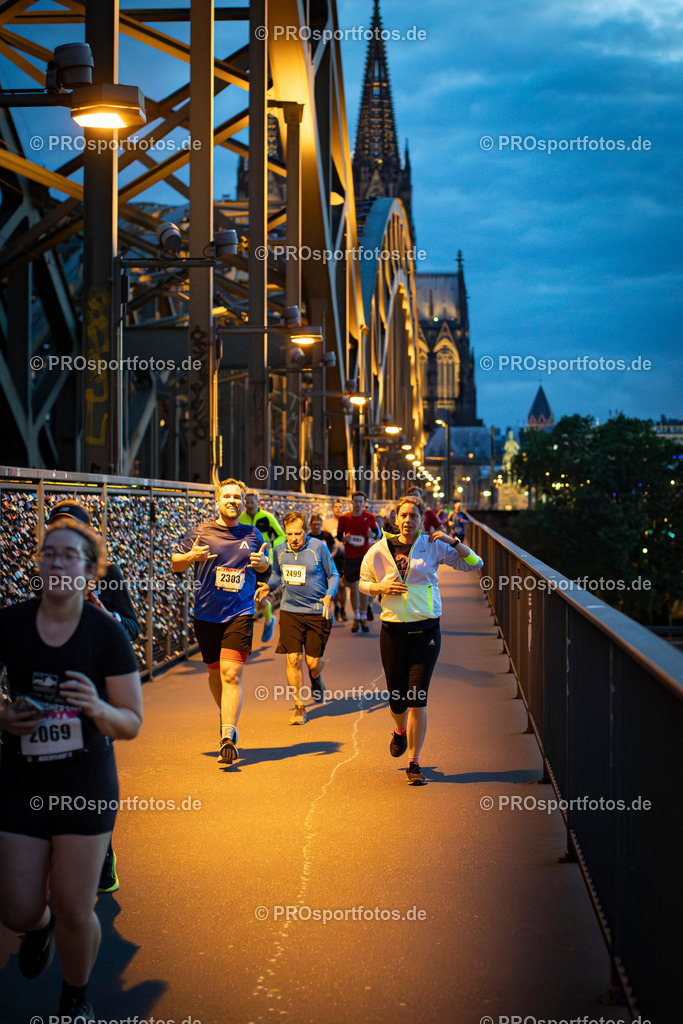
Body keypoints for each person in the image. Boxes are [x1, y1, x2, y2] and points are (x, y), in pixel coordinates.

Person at [0, 518, 142, 1023]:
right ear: (40, 565)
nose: (58, 562)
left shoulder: (105, 634)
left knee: (74, 907)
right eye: (49, 554)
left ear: (90, 570)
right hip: (22, 779)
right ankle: (36, 929)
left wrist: (97, 709)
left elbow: (131, 722)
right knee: (15, 908)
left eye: (70, 555)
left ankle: (75, 996)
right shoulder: (11, 624)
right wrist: (3, 715)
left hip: (85, 782)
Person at [46, 499, 141, 895]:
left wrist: (109, 617)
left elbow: (133, 626)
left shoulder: (110, 575)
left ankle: (103, 854)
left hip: (94, 691)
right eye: (55, 530)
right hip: (46, 690)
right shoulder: (43, 573)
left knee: (89, 775)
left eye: (73, 529)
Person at [359, 493, 483, 785]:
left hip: (426, 631)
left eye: (413, 516)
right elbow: (362, 582)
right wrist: (380, 586)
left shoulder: (432, 545)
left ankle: (414, 762)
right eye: (403, 515)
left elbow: (475, 563)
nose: (407, 520)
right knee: (397, 700)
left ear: (422, 519)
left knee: (418, 698)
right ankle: (399, 730)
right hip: (393, 633)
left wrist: (453, 541)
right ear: (394, 518)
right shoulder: (379, 549)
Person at [172, 478, 271, 765]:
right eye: (227, 496)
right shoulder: (200, 532)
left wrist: (264, 567)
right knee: (215, 674)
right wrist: (190, 556)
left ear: (242, 502)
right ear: (217, 501)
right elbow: (175, 562)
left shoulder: (252, 534)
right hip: (206, 615)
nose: (233, 501)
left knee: (231, 675)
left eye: (237, 497)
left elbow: (265, 567)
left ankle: (228, 735)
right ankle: (225, 714)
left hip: (239, 613)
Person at [258, 512, 339, 724]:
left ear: (305, 531)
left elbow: (333, 575)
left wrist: (329, 595)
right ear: (285, 532)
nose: (293, 538)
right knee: (293, 659)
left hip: (317, 612)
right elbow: (277, 575)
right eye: (289, 534)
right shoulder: (279, 550)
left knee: (313, 663)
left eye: (298, 533)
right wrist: (269, 585)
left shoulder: (318, 547)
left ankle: (315, 677)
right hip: (290, 611)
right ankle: (299, 706)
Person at [239, 490, 286, 643]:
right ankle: (245, 637)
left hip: (265, 563)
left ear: (258, 503)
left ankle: (269, 620)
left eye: (252, 502)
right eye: (246, 502)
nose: (249, 505)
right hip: (245, 563)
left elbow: (281, 535)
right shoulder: (241, 518)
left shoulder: (267, 517)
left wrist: (273, 544)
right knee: (246, 597)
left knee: (259, 597)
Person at [337, 491, 379, 633]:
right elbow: (338, 536)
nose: (358, 504)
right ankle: (356, 617)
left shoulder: (370, 517)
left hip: (365, 557)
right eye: (356, 501)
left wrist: (371, 535)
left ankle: (363, 615)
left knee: (364, 589)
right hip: (350, 557)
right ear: (352, 502)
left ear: (364, 503)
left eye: (361, 502)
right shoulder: (344, 518)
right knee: (354, 588)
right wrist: (345, 539)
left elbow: (377, 534)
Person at [323, 499, 347, 621]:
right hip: (332, 557)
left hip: (344, 556)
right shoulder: (327, 523)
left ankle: (343, 608)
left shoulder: (347, 521)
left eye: (340, 506)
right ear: (332, 509)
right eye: (336, 507)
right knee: (335, 584)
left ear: (343, 508)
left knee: (342, 585)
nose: (338, 509)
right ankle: (337, 607)